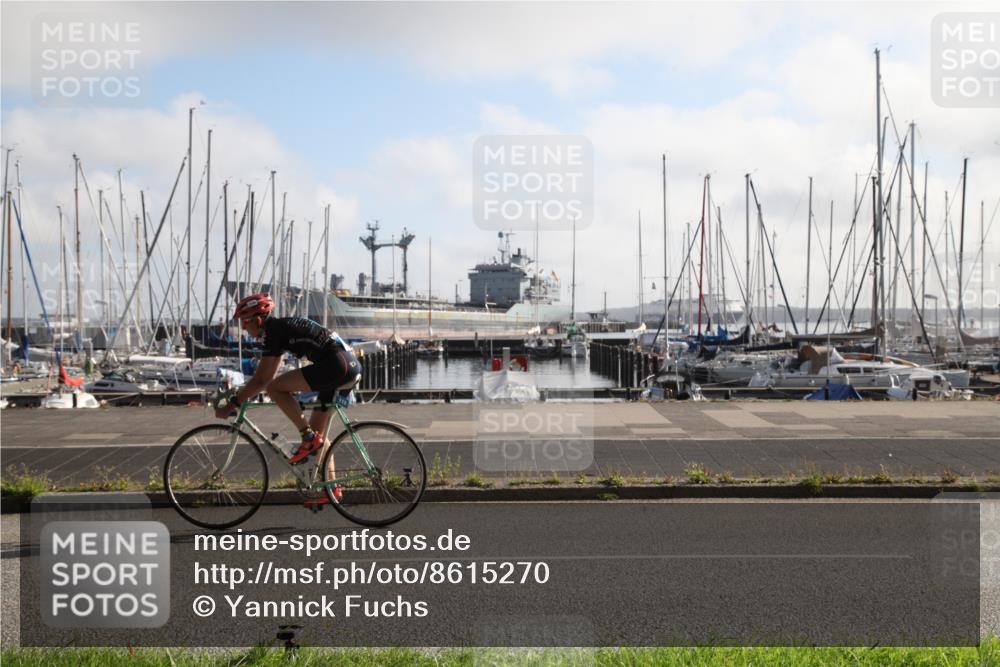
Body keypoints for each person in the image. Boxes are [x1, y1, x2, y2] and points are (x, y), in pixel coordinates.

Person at [215, 293, 362, 464]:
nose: (244, 329)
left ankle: (307, 437)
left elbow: (263, 381)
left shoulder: (274, 333)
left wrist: (233, 403)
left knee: (275, 389)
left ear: (257, 320)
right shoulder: (281, 329)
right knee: (319, 438)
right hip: (349, 366)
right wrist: (242, 395)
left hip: (337, 367)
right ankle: (330, 490)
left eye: (244, 323)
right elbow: (268, 376)